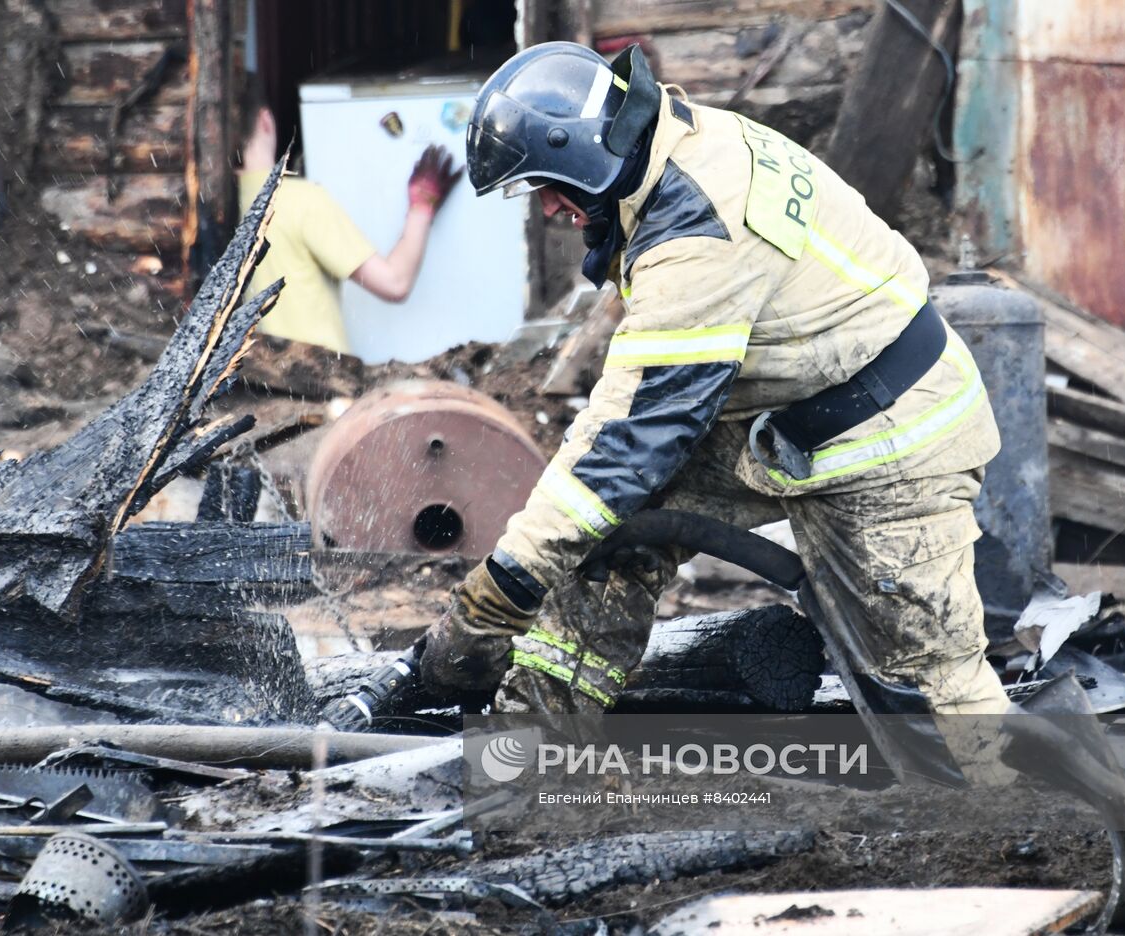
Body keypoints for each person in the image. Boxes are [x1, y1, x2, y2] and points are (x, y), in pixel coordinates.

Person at [419, 41, 1008, 779]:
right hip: (791, 413)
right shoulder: (671, 143)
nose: (549, 208)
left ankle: (1015, 822)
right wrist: (534, 563)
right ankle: (527, 762)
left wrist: (502, 589)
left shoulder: (696, 229)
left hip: (895, 433)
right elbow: (629, 420)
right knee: (605, 538)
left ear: (580, 153)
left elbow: (635, 440)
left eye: (545, 185)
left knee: (924, 672)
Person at [236, 83, 462, 354]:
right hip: (316, 384)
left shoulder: (216, 208)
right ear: (265, 120)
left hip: (251, 385)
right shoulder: (297, 200)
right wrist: (422, 205)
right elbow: (395, 283)